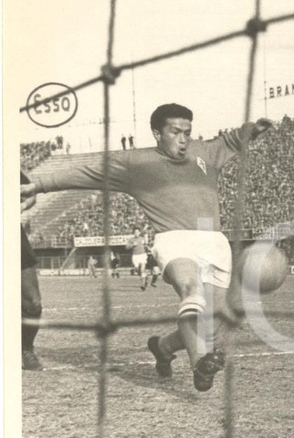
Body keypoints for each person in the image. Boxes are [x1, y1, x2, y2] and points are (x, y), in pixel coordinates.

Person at [21, 103, 274, 391]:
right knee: (191, 290)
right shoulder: (135, 163)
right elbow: (88, 173)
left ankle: (164, 347)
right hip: (174, 239)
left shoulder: (204, 152)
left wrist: (252, 131)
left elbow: (229, 141)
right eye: (175, 132)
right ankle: (200, 363)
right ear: (157, 133)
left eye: (187, 133)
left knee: (212, 323)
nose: (183, 139)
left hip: (214, 242)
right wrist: (39, 184)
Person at [20, 170, 44, 370]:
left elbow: (31, 193)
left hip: (11, 235)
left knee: (32, 303)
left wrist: (22, 205)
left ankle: (26, 348)